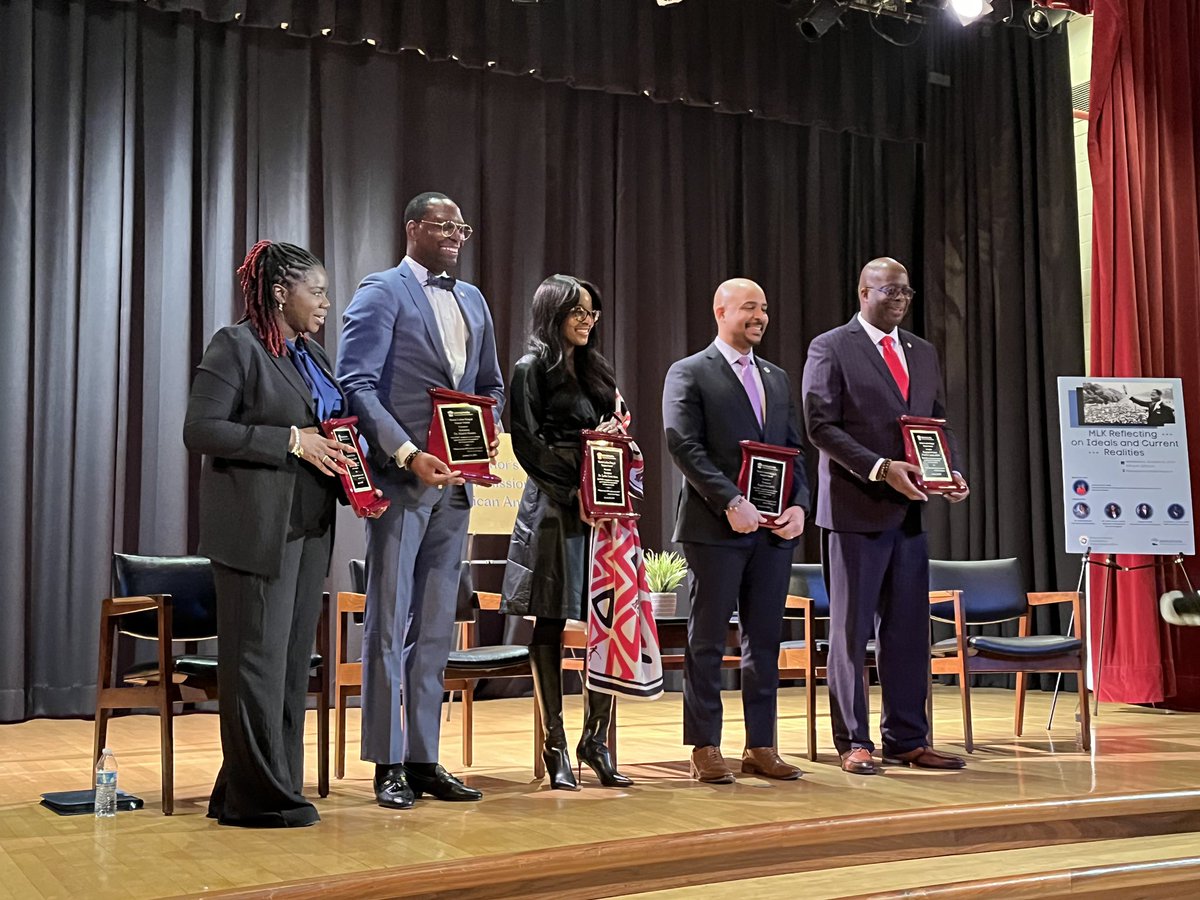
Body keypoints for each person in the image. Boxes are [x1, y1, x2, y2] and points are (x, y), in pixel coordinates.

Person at [337, 192, 504, 810]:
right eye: (442, 225)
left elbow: (488, 387)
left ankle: (424, 757)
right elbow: (354, 382)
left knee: (435, 627)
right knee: (388, 620)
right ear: (412, 230)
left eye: (461, 225)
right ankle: (386, 761)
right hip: (402, 480)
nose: (455, 234)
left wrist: (478, 447)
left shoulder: (473, 299)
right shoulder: (381, 290)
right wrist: (407, 453)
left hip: (457, 486)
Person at [184, 240, 355, 827]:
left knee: (287, 668)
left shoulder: (314, 356)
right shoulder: (236, 345)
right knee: (255, 663)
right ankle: (260, 798)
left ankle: (263, 782)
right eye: (319, 291)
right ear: (281, 292)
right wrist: (289, 439)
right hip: (257, 531)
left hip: (309, 527)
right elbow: (201, 429)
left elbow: (335, 429)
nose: (328, 303)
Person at [802, 257, 969, 776]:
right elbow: (819, 426)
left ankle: (907, 739)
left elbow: (933, 423)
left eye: (906, 291)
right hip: (855, 511)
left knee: (908, 632)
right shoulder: (831, 346)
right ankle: (854, 741)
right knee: (851, 634)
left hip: (911, 516)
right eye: (889, 290)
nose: (899, 298)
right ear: (863, 292)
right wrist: (879, 468)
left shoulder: (922, 352)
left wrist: (951, 473)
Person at [662, 278, 809, 784]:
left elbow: (794, 450)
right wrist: (731, 501)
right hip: (714, 527)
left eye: (764, 309)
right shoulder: (689, 372)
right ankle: (704, 746)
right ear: (719, 310)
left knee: (764, 639)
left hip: (772, 532)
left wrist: (799, 507)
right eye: (749, 307)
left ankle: (761, 745)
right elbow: (683, 444)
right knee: (706, 639)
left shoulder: (777, 377)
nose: (760, 316)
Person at [501, 274, 633, 791]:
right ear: (552, 313)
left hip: (602, 507)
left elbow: (610, 436)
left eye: (593, 313)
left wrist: (614, 438)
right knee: (551, 622)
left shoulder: (596, 368)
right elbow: (527, 445)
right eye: (578, 311)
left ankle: (594, 739)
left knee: (607, 621)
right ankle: (554, 743)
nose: (587, 320)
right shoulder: (530, 367)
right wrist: (574, 490)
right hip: (555, 508)